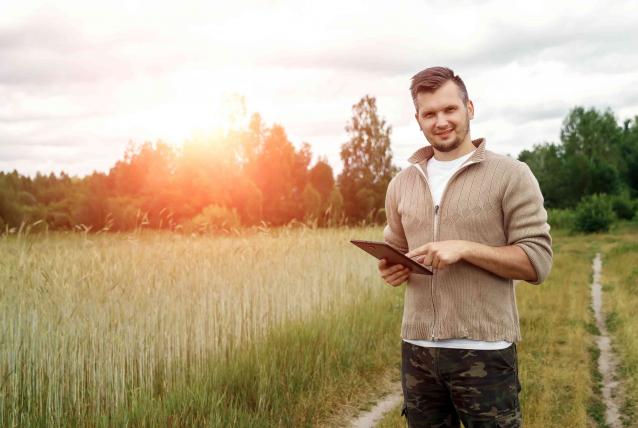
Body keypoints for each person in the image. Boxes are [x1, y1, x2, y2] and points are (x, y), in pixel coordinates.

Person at [379, 66, 552, 427]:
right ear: (418, 119)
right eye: (429, 114)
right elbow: (394, 248)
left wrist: (466, 249)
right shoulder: (401, 184)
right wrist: (390, 267)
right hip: (419, 352)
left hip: (485, 353)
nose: (440, 121)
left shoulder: (511, 175)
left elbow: (537, 262)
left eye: (449, 110)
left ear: (469, 108)